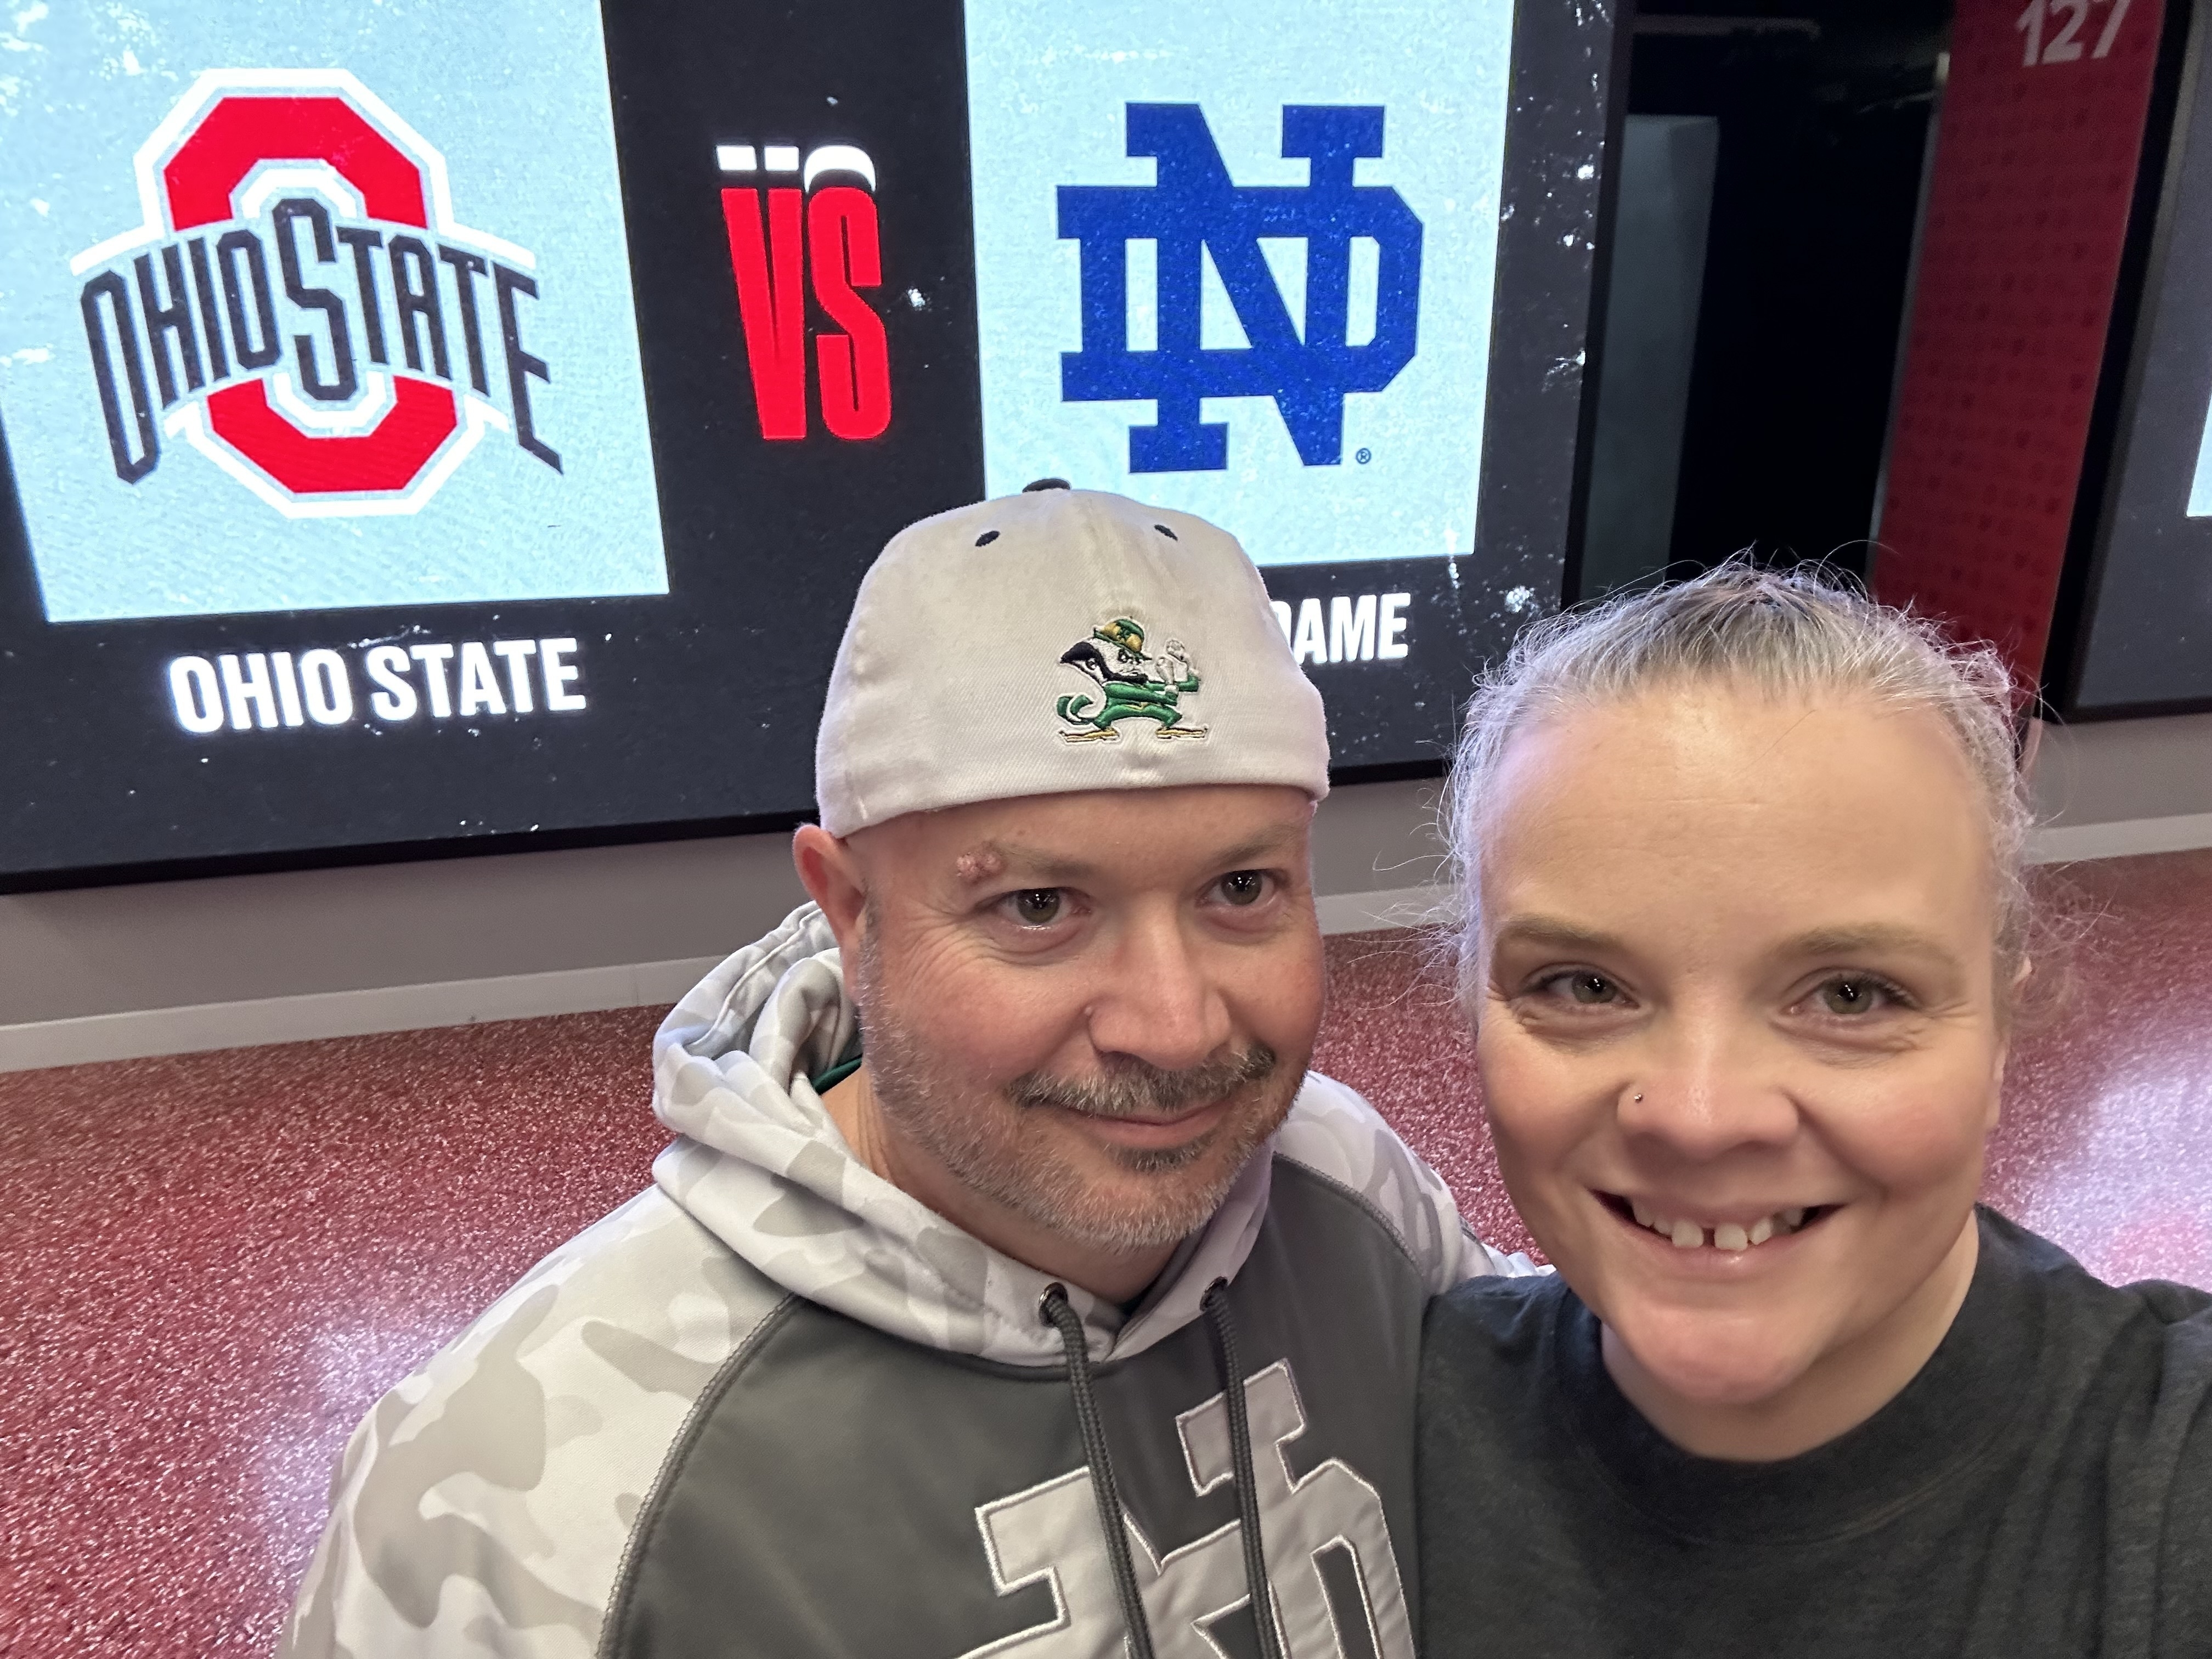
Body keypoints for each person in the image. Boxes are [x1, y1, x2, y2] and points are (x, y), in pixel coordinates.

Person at [280, 484, 1528, 1659]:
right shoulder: (520, 1483)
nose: (1176, 1026)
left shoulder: (1347, 1179)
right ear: (850, 911)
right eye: (1038, 904)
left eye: (1241, 887)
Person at [1418, 563, 2212, 1656]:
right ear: (1473, 1011)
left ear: (1998, 1035)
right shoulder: (1386, 1428)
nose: (1700, 1116)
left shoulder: (2173, 1470)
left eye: (1851, 996)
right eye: (1585, 986)